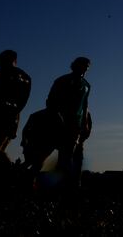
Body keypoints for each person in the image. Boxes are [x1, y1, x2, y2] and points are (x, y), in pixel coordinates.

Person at [46, 56, 92, 187]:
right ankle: (59, 183)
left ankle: (76, 183)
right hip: (61, 121)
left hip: (77, 124)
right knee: (65, 154)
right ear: (75, 66)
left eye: (87, 67)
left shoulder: (86, 85)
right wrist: (57, 117)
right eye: (82, 65)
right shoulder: (62, 81)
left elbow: (85, 105)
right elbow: (51, 100)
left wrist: (86, 123)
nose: (85, 69)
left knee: (78, 155)